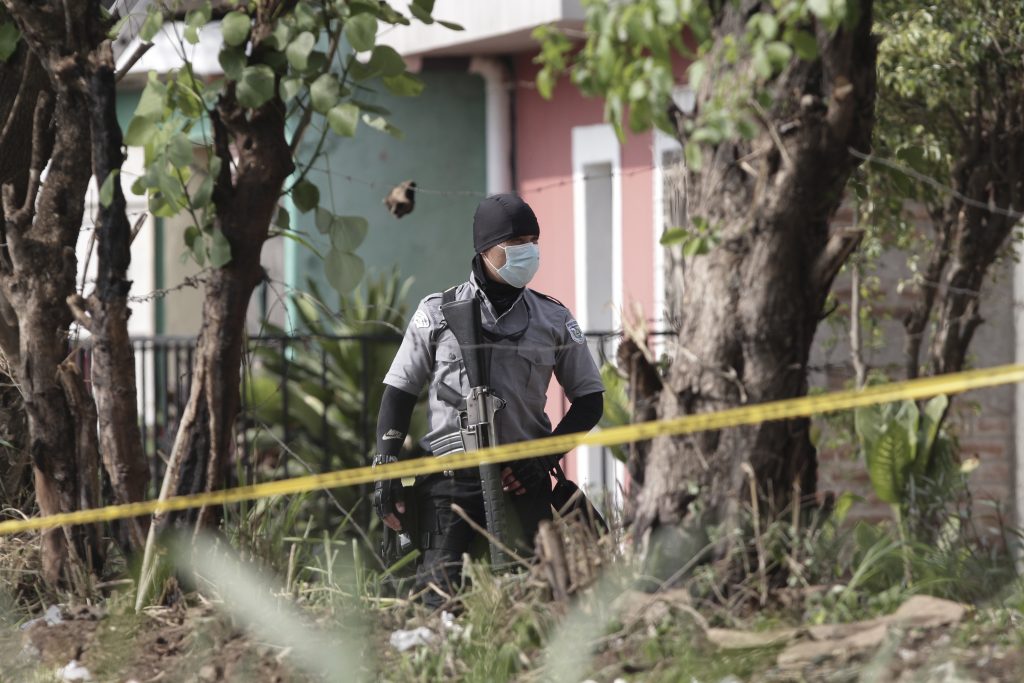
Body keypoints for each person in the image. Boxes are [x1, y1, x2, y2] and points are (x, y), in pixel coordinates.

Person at [371, 193, 605, 607]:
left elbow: (589, 400)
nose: (528, 252)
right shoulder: (436, 313)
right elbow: (399, 392)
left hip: (523, 482)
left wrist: (541, 459)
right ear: (484, 249)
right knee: (440, 601)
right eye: (515, 244)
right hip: (450, 484)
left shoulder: (554, 319)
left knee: (534, 604)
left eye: (533, 241)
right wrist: (386, 465)